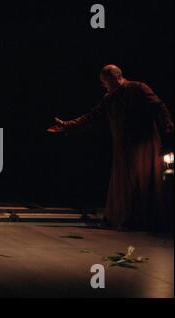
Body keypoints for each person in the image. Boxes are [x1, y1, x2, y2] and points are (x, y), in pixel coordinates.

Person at [48, 64, 174, 231]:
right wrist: (67, 125)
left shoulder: (138, 88)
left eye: (105, 81)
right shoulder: (110, 98)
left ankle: (142, 220)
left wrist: (168, 126)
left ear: (115, 78)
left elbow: (159, 106)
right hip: (124, 148)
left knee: (142, 180)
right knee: (124, 182)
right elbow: (92, 116)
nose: (103, 86)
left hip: (144, 145)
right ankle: (124, 218)